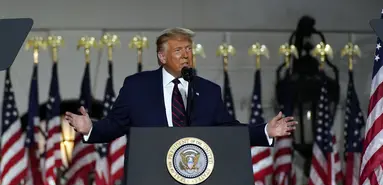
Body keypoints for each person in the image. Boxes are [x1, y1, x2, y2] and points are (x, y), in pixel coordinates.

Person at [65, 27, 297, 146]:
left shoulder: (208, 91)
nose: (186, 55)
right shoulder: (137, 87)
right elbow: (115, 126)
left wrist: (265, 131)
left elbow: (229, 130)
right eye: (179, 50)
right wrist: (90, 129)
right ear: (162, 57)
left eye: (189, 50)